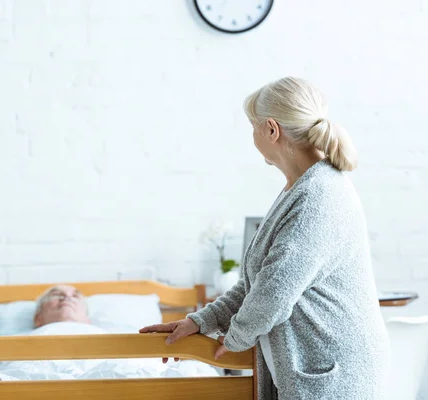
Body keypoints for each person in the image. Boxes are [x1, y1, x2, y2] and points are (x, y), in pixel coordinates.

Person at [140, 77, 390, 399]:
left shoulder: (318, 197)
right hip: (317, 368)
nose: (252, 134)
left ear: (272, 130)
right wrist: (199, 321)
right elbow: (256, 285)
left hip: (334, 373)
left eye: (253, 125)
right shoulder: (300, 188)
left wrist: (232, 341)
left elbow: (274, 292)